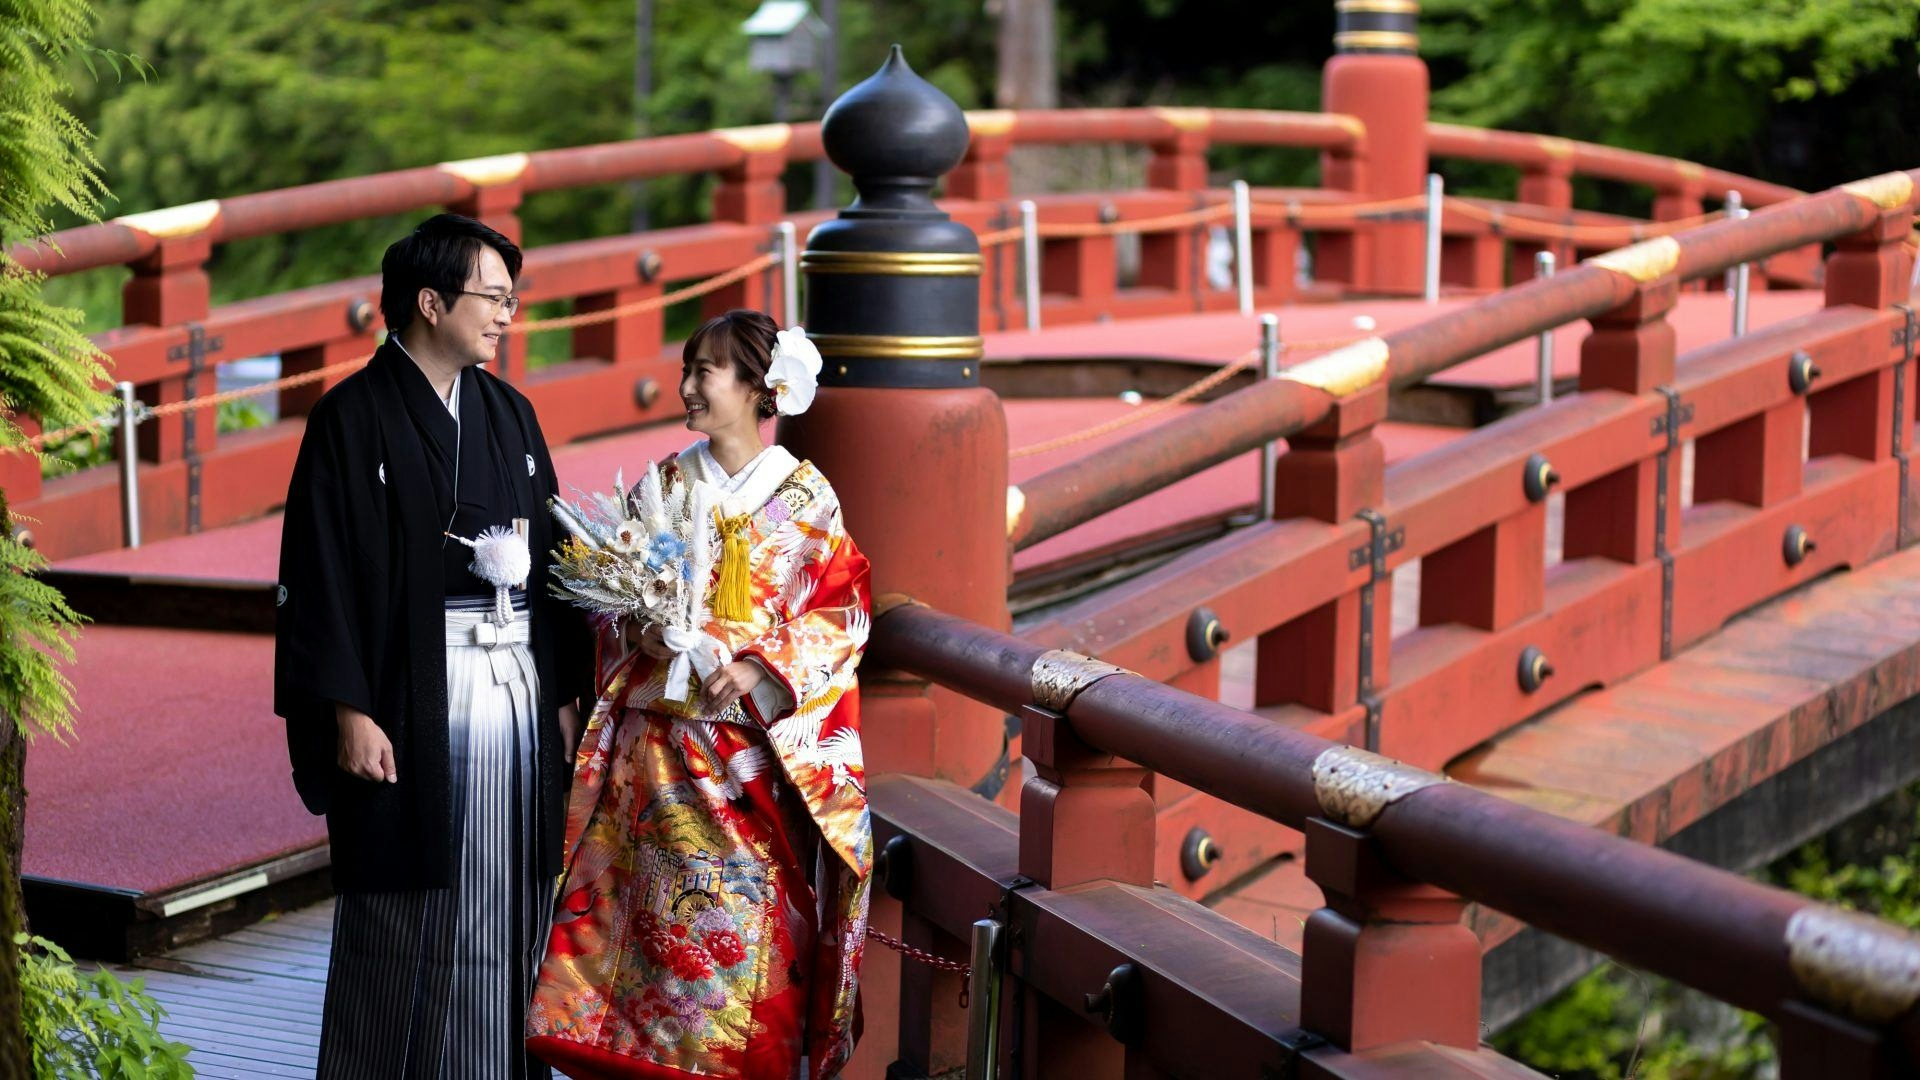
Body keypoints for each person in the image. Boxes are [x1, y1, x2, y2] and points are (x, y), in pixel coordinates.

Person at [274, 212, 590, 1079]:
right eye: (492, 297)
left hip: (517, 692)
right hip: (406, 696)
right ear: (429, 301)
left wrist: (563, 691)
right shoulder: (350, 417)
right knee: (402, 902)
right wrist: (346, 708)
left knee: (513, 892)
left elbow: (558, 564)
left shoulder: (511, 415)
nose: (507, 316)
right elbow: (321, 571)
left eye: (511, 299)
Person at [526, 309, 873, 1080]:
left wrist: (758, 666)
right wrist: (636, 634)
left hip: (749, 763)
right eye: (686, 370)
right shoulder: (664, 483)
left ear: (759, 388)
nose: (685, 387)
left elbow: (839, 615)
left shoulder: (809, 501)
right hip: (654, 758)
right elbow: (608, 613)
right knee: (642, 938)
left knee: (747, 939)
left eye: (704, 373)